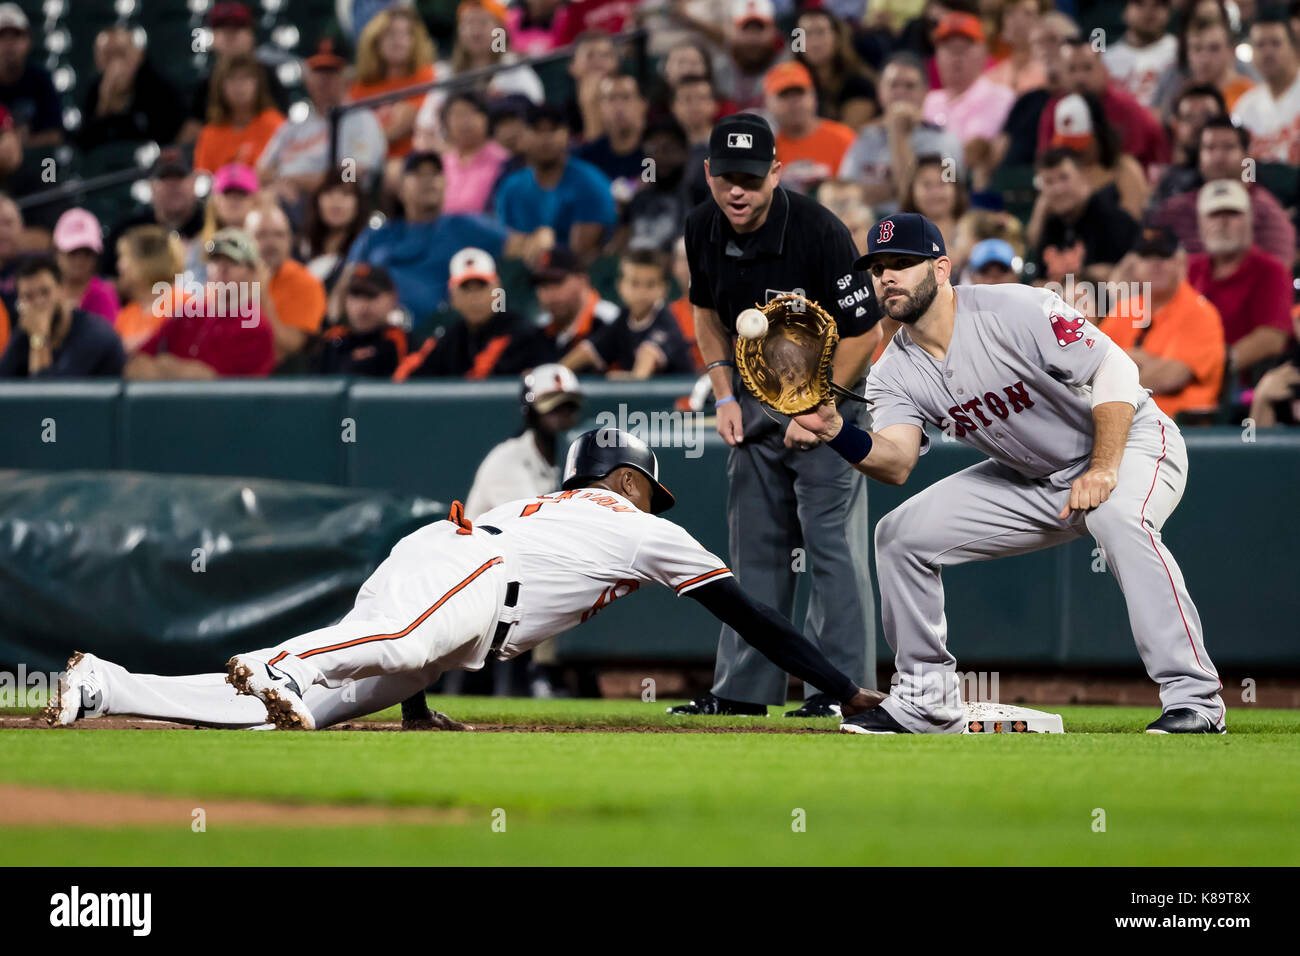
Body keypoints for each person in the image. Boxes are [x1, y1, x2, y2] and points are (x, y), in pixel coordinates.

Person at [48, 428, 885, 732]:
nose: (653, 495)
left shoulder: (553, 510)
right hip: (471, 571)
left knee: (289, 715)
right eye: (649, 482)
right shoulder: (642, 526)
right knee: (372, 652)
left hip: (455, 575)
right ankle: (283, 662)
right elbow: (748, 615)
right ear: (628, 479)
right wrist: (842, 688)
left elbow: (442, 620)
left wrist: (411, 701)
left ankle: (112, 689)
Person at [792, 212, 1226, 735]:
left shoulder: (1015, 307)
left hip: (1132, 443)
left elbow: (1117, 369)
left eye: (903, 264)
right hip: (1034, 477)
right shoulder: (892, 372)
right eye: (878, 267)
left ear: (942, 268)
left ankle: (1195, 699)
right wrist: (836, 429)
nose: (887, 277)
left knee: (1117, 519)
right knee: (899, 536)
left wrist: (1105, 467)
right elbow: (896, 461)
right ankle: (926, 701)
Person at [673, 113, 880, 718]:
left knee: (832, 551)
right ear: (709, 174)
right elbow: (706, 309)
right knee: (754, 553)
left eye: (751, 177)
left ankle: (838, 694)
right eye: (727, 177)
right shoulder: (700, 227)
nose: (738, 190)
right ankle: (742, 692)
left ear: (776, 174)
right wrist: (724, 395)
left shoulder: (821, 231)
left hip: (832, 400)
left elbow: (865, 336)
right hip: (753, 394)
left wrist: (818, 407)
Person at [459, 363, 584, 697]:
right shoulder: (508, 459)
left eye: (568, 406)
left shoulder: (573, 460)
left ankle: (557, 673)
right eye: (553, 406)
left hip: (515, 578)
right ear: (532, 411)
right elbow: (538, 529)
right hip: (476, 576)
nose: (562, 415)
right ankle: (542, 672)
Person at [341, 151, 552, 331]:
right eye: (418, 174)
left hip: (442, 331)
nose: (428, 180)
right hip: (379, 331)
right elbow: (345, 285)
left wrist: (543, 236)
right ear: (401, 187)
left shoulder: (466, 226)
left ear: (445, 184)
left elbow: (527, 245)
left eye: (435, 174)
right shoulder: (376, 235)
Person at [1099, 225, 1225, 420]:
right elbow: (1091, 364)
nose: (1155, 264)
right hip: (1123, 422)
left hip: (1179, 428)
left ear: (1179, 262)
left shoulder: (1200, 312)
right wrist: (1144, 362)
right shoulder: (1124, 310)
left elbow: (1170, 378)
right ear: (1135, 265)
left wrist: (1119, 368)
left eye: (1164, 256)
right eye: (1147, 256)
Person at [125, 229, 276, 380]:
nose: (222, 268)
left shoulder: (255, 326)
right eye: (215, 260)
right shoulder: (189, 312)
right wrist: (181, 370)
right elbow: (136, 364)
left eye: (233, 261)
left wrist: (166, 365)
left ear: (253, 271)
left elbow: (213, 386)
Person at [256, 40, 387, 208]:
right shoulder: (294, 125)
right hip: (283, 198)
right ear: (307, 77)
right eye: (317, 71)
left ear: (347, 78)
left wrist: (294, 180)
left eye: (332, 72)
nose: (324, 80)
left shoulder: (360, 120)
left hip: (330, 206)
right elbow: (261, 172)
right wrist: (280, 184)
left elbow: (350, 178)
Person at [1186, 179, 1292, 384]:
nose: (1223, 222)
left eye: (1232, 213)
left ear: (1250, 220)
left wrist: (1212, 366)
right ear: (1201, 223)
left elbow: (1272, 339)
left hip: (1238, 388)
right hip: (1182, 377)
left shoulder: (1271, 271)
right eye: (1214, 214)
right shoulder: (1187, 269)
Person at [1151, 116, 1296, 266]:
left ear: (1247, 156)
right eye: (1210, 148)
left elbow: (1278, 272)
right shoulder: (1174, 209)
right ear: (1199, 157)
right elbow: (1149, 262)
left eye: (1228, 147)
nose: (1218, 156)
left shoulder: (1267, 211)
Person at [840, 52, 964, 217]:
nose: (900, 92)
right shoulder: (865, 138)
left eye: (909, 86)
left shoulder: (944, 140)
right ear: (880, 91)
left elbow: (939, 200)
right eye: (893, 85)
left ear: (925, 91)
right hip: (870, 229)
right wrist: (896, 188)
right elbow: (845, 195)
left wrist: (899, 135)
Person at [394, 247, 540, 379]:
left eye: (481, 288)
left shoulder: (518, 330)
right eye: (466, 289)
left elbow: (483, 383)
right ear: (453, 298)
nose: (474, 298)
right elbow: (410, 375)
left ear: (497, 292)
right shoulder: (453, 336)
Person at [493, 104, 616, 260]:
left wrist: (544, 247)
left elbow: (582, 255)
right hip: (521, 276)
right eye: (537, 130)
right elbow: (506, 247)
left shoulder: (591, 183)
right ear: (523, 137)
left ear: (567, 135)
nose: (546, 139)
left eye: (553, 130)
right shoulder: (511, 187)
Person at [1040, 38, 1169, 171]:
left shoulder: (1126, 108)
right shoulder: (1054, 109)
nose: (1080, 78)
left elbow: (1136, 163)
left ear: (1103, 68)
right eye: (1071, 69)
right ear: (1061, 74)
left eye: (1087, 68)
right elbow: (1047, 162)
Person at [561, 250, 694, 378]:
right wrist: (557, 372)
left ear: (663, 288)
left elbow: (646, 361)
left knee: (620, 401)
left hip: (676, 399)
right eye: (634, 283)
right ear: (620, 286)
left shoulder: (666, 321)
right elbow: (588, 351)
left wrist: (631, 379)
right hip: (643, 399)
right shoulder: (623, 318)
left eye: (650, 284)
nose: (642, 292)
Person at [180, 1, 290, 144]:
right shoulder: (205, 85)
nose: (229, 35)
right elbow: (193, 136)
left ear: (251, 35)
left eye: (238, 27)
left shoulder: (269, 77)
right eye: (222, 28)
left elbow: (283, 131)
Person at [0, 255, 124, 378]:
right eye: (28, 296)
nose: (38, 302)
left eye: (45, 292)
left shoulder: (94, 333)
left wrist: (39, 337)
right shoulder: (23, 334)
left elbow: (51, 394)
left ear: (62, 290)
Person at [1031, 147, 1139, 285]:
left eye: (1064, 178)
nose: (1057, 189)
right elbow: (1039, 281)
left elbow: (1119, 277)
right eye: (1049, 182)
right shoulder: (1052, 225)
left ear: (1083, 176)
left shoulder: (1112, 219)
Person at [347, 5, 438, 161]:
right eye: (390, 34)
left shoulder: (428, 75)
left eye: (406, 34)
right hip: (366, 164)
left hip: (414, 161)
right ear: (375, 40)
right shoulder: (360, 87)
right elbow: (350, 136)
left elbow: (403, 124)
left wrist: (370, 135)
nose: (398, 41)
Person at [74, 27, 185, 150]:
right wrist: (104, 106)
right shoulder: (93, 92)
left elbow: (170, 139)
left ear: (138, 56)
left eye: (120, 54)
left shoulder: (160, 90)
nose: (115, 64)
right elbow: (84, 146)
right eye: (107, 56)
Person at [922, 12, 1015, 157]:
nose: (955, 56)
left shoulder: (999, 96)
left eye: (963, 48)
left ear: (984, 53)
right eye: (947, 48)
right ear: (937, 56)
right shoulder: (930, 100)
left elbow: (972, 155)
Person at [102, 148, 205, 279]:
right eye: (164, 178)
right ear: (151, 186)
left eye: (180, 176)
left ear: (194, 182)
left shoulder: (211, 224)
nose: (172, 185)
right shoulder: (127, 230)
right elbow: (108, 282)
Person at [246, 203, 325, 366]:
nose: (271, 243)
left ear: (290, 240)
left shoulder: (307, 283)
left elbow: (292, 345)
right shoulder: (227, 278)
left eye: (279, 235)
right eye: (261, 235)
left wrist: (261, 296)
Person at [765, 61, 855, 196]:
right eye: (784, 96)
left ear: (813, 96)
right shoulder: (766, 146)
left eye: (799, 94)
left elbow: (855, 189)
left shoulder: (842, 137)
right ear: (768, 103)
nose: (794, 103)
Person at [310, 264, 408, 377]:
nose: (362, 306)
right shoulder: (331, 340)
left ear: (391, 298)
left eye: (371, 296)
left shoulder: (401, 343)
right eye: (355, 295)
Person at [615, 118, 694, 254]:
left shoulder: (698, 196)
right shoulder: (637, 199)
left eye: (668, 149)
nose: (659, 157)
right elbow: (619, 246)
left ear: (684, 152)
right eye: (652, 150)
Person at [792, 7, 878, 129]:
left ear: (837, 37)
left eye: (820, 32)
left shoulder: (859, 84)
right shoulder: (791, 81)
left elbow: (847, 137)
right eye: (805, 34)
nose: (814, 42)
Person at [529, 247, 620, 363]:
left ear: (582, 280)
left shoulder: (610, 320)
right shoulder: (541, 329)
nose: (549, 295)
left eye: (556, 284)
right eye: (543, 287)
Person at [1230, 17, 1300, 165]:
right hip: (1260, 185)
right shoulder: (1244, 106)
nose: (1267, 52)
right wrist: (1250, 186)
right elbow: (1245, 168)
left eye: (1276, 43)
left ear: (1294, 48)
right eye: (1260, 45)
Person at [426, 91, 509, 215]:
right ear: (446, 124)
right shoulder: (442, 163)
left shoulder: (502, 159)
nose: (464, 121)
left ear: (485, 118)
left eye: (471, 113)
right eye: (457, 115)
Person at [1149, 84, 1226, 207]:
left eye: (1208, 116)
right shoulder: (1169, 182)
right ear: (1176, 126)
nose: (1198, 124)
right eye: (1188, 118)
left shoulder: (1246, 165)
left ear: (1224, 119)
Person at [113, 225, 185, 354]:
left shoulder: (184, 305)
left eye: (124, 256)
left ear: (144, 262)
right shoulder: (127, 315)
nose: (119, 266)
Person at [299, 170, 370, 298]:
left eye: (345, 194)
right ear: (317, 200)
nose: (336, 201)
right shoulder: (300, 246)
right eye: (329, 193)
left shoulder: (367, 250)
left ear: (358, 203)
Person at [571, 74, 648, 192]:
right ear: (599, 107)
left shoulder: (654, 155)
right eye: (611, 99)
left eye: (626, 97)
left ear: (642, 104)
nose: (619, 107)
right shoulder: (586, 159)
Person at [0, 3, 62, 147]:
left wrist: (20, 144)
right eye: (2, 36)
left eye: (16, 35)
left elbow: (55, 135)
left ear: (28, 41)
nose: (9, 44)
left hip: (36, 165)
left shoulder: (41, 80)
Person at [1103, 0, 1178, 109]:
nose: (1148, 11)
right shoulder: (1106, 60)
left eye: (1157, 5)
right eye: (1139, 3)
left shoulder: (1181, 52)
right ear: (1124, 11)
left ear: (1169, 12)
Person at [716, 0, 784, 112]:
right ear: (732, 31)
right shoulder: (717, 70)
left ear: (773, 31)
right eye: (746, 29)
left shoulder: (788, 66)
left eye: (759, 29)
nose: (752, 38)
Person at [52, 209, 118, 323]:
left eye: (87, 253)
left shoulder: (103, 295)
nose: (79, 260)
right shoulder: (46, 293)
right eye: (72, 252)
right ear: (57, 252)